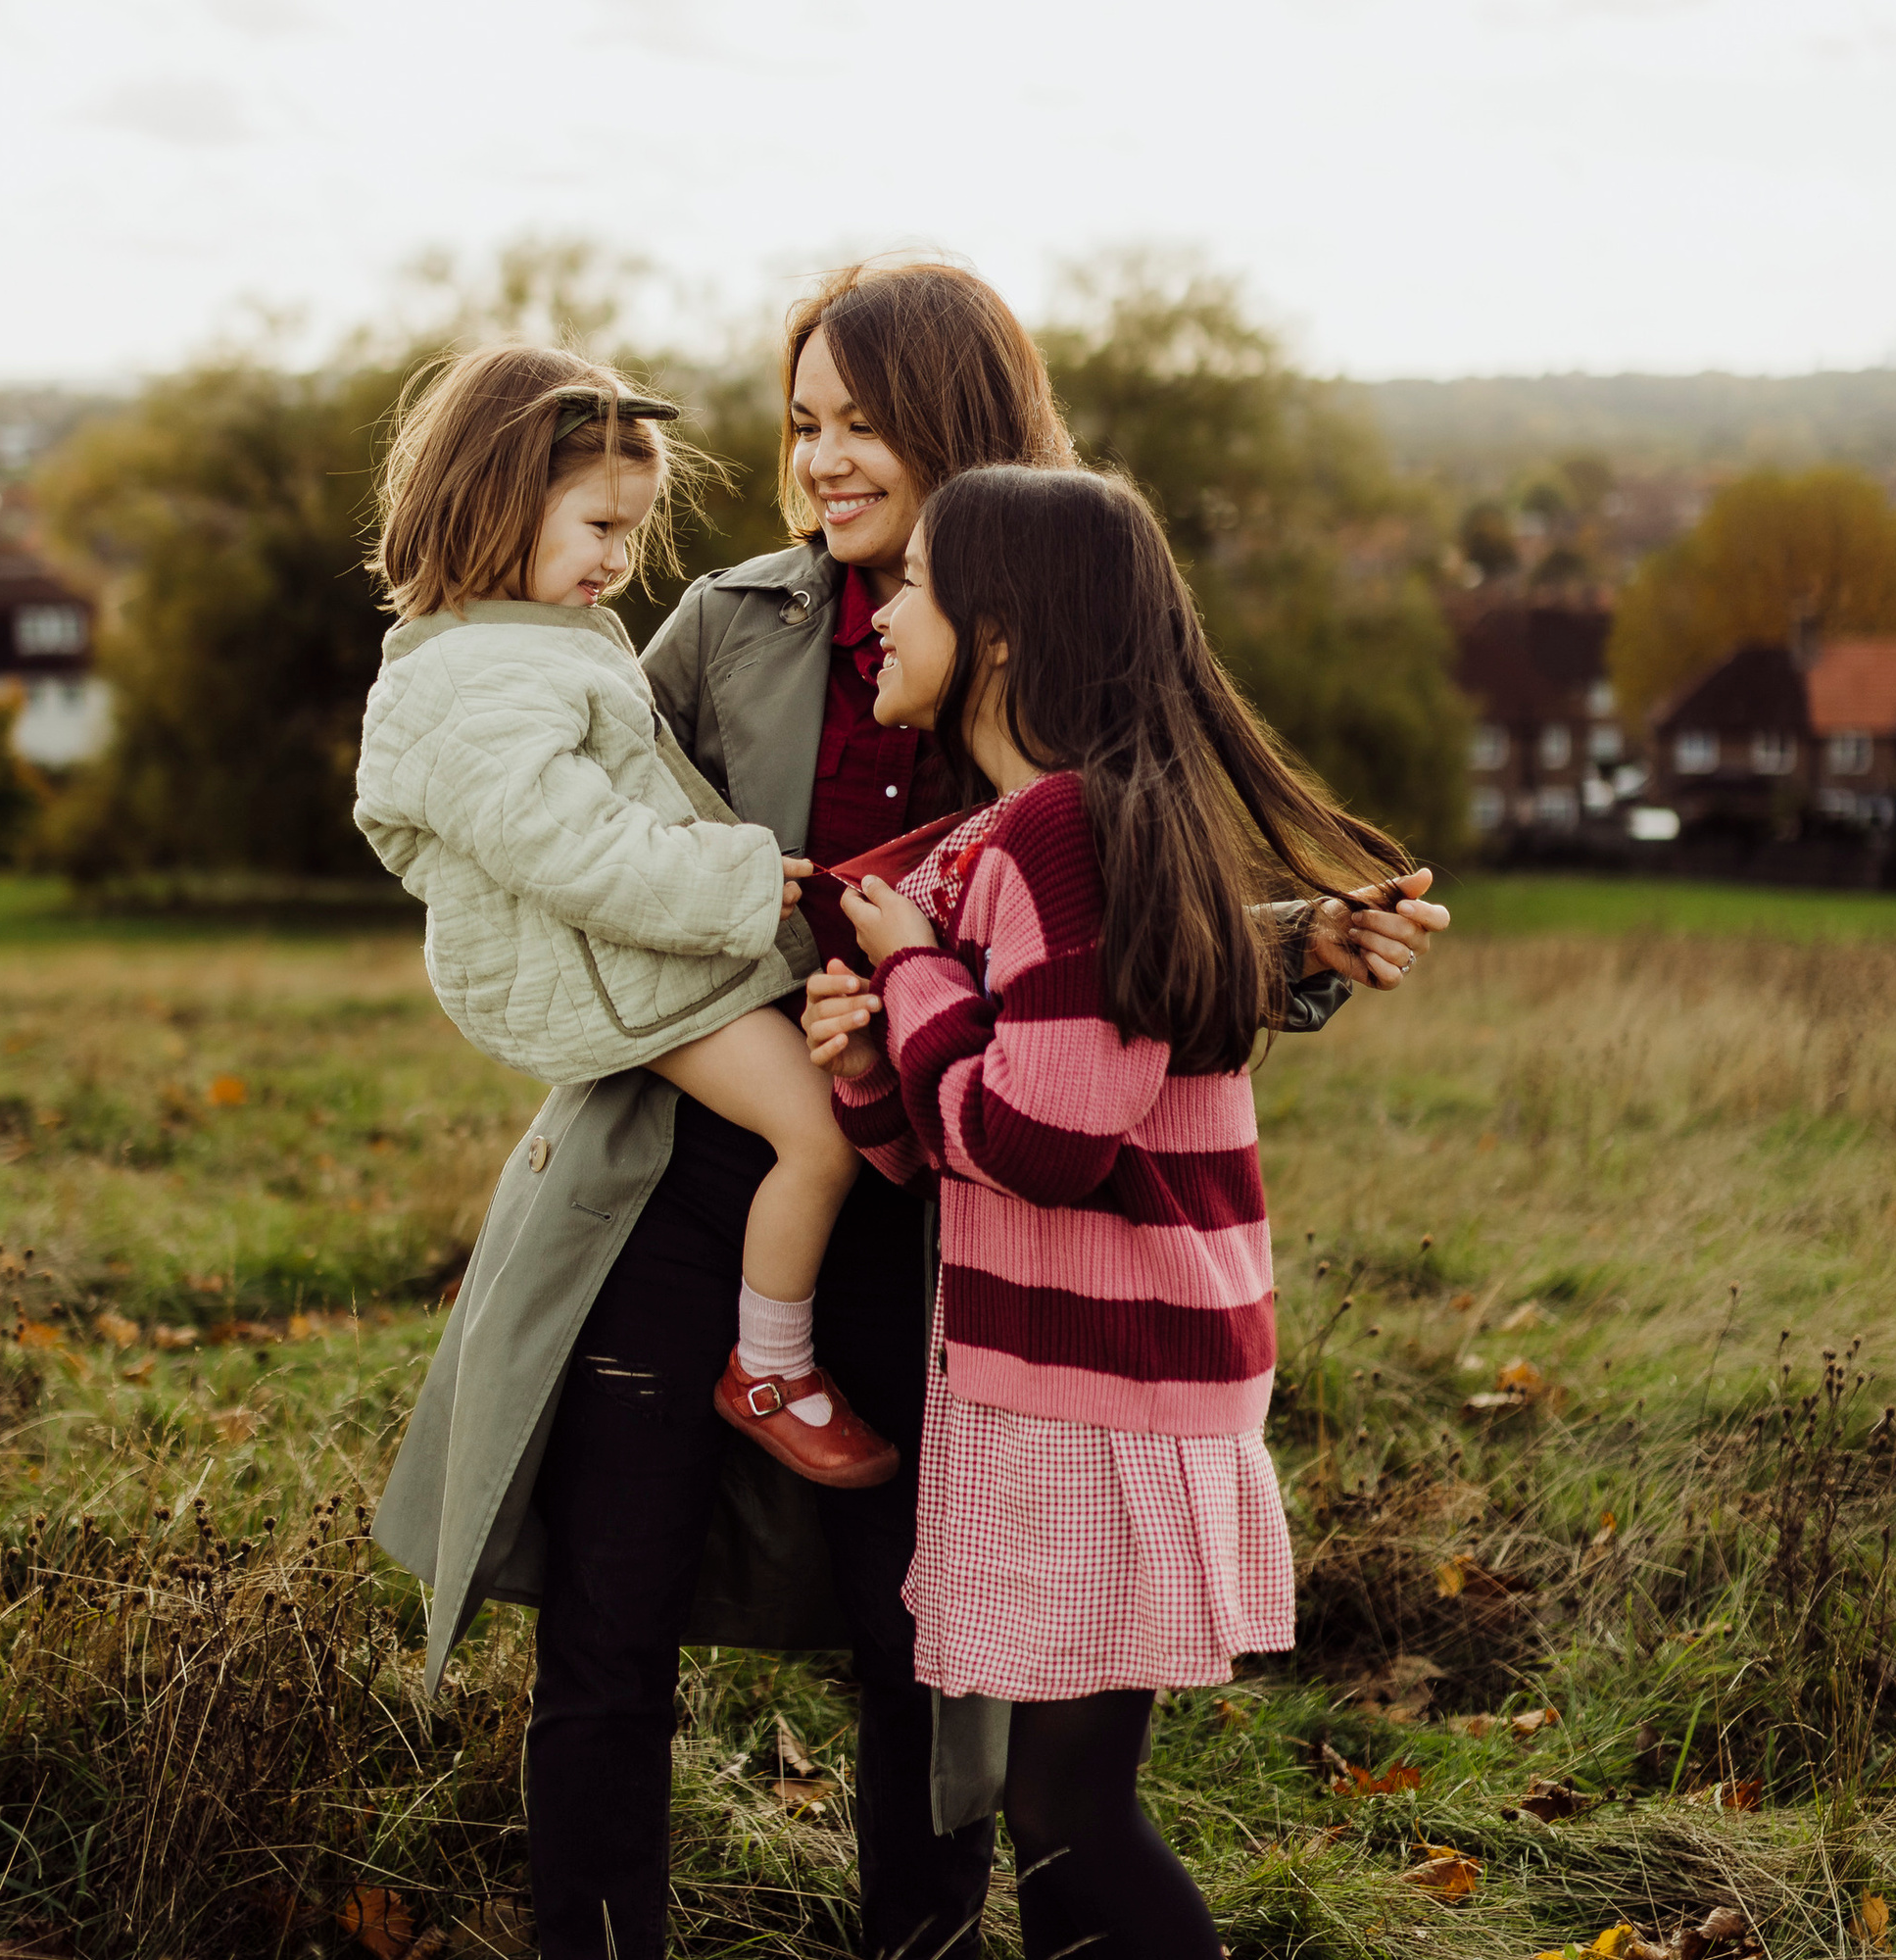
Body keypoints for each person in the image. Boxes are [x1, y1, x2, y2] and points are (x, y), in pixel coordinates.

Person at [366, 260, 1450, 1960]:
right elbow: (554, 818)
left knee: (927, 1647)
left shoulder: (1050, 615)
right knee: (604, 1622)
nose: (823, 460)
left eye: (863, 423)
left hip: (945, 1201)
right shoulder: (724, 625)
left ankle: (922, 1945)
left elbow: (1107, 912)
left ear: (961, 423)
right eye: (802, 424)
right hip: (680, 1174)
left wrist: (1291, 939)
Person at [803, 464, 1410, 1959]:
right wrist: (870, 1060)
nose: (884, 612)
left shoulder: (1062, 836)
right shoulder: (1029, 835)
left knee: (1071, 1808)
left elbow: (1044, 1137)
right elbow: (941, 1147)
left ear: (1000, 633)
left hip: (1103, 1392)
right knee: (1057, 1802)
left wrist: (913, 983)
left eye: (922, 586)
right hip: (1074, 1379)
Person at [355, 341, 899, 1486]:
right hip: (618, 968)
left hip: (627, 951)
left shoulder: (522, 641)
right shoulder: (478, 676)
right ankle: (771, 1367)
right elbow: (571, 842)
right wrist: (742, 883)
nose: (620, 558)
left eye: (631, 532)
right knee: (819, 1130)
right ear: (499, 507)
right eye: (600, 528)